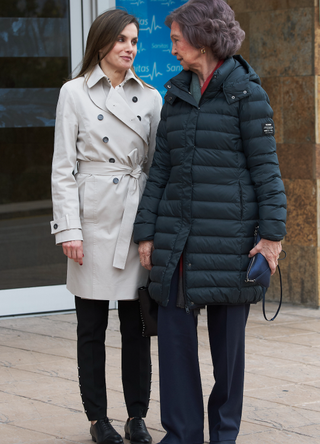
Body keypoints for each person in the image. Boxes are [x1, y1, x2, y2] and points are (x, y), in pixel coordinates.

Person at [134, 1, 287, 443]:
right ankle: (181, 435)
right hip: (179, 241)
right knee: (175, 347)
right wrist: (146, 232)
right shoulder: (177, 93)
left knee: (227, 356)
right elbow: (161, 169)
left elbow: (267, 172)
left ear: (202, 38)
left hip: (230, 241)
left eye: (178, 40)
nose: (174, 49)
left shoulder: (247, 93)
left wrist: (272, 238)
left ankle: (224, 436)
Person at [51, 9, 162, 444]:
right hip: (92, 221)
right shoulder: (73, 93)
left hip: (134, 222)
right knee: (90, 327)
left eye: (134, 41)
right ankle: (98, 418)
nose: (130, 48)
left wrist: (151, 229)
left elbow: (156, 167)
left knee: (137, 329)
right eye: (121, 41)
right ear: (101, 44)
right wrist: (69, 229)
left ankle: (137, 416)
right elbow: (63, 167)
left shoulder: (151, 98)